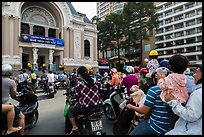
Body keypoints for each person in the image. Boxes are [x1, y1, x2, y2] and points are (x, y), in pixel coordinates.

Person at [126, 66, 173, 135]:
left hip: (156, 126)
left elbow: (144, 111)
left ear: (158, 76)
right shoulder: (176, 89)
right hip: (172, 126)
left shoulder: (154, 89)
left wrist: (131, 106)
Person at [165, 62, 202, 135]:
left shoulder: (198, 93)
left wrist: (173, 102)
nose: (194, 75)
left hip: (189, 131)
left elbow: (191, 115)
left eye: (196, 72)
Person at [67, 66, 106, 135]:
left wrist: (72, 101)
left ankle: (75, 126)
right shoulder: (96, 81)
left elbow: (75, 97)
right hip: (98, 106)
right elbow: (104, 89)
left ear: (79, 74)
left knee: (70, 110)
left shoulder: (79, 84)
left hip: (86, 107)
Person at [2, 64, 25, 135]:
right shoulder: (11, 82)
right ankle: (13, 129)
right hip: (5, 104)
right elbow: (13, 95)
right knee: (21, 117)